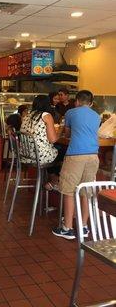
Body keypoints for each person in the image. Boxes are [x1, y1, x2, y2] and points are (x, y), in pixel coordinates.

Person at [52, 90, 100, 240]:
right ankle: (84, 227)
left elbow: (67, 134)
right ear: (91, 103)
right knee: (86, 191)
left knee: (68, 190)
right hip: (93, 156)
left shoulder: (71, 113)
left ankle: (67, 228)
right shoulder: (97, 116)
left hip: (76, 155)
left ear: (77, 101)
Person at [20, 95, 59, 165]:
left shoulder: (27, 115)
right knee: (61, 151)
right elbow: (53, 140)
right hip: (40, 156)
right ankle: (52, 175)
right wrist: (60, 131)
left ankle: (45, 175)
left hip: (26, 155)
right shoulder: (46, 115)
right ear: (48, 104)